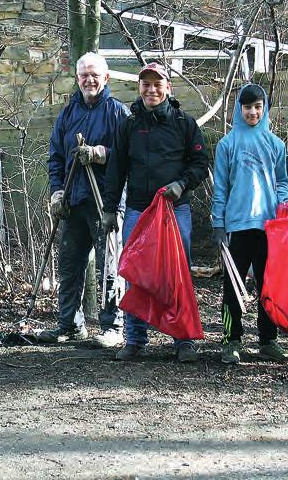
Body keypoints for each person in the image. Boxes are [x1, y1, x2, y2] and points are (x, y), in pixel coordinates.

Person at [102, 62, 209, 362]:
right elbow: (116, 169)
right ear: (139, 88)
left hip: (175, 210)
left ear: (167, 87)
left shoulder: (184, 124)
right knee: (136, 273)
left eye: (157, 84)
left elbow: (201, 163)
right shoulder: (129, 126)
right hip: (138, 210)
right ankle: (135, 338)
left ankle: (183, 339)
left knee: (178, 273)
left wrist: (181, 183)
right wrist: (110, 209)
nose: (151, 90)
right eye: (145, 84)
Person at [38, 52, 130, 348]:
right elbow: (56, 156)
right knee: (69, 264)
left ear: (106, 78)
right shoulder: (68, 113)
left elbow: (131, 156)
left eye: (94, 75)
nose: (89, 80)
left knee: (109, 266)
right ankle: (70, 325)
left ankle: (112, 326)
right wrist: (56, 191)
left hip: (105, 202)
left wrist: (102, 154)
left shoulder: (118, 113)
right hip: (74, 201)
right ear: (77, 79)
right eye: (83, 75)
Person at [211, 84, 288, 365]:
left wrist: (285, 205)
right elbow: (220, 187)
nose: (253, 112)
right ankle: (230, 340)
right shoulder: (227, 145)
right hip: (236, 226)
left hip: (269, 227)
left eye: (258, 106)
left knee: (267, 286)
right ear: (239, 109)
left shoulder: (276, 145)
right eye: (247, 107)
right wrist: (218, 223)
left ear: (265, 108)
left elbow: (282, 182)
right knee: (232, 287)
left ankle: (268, 340)